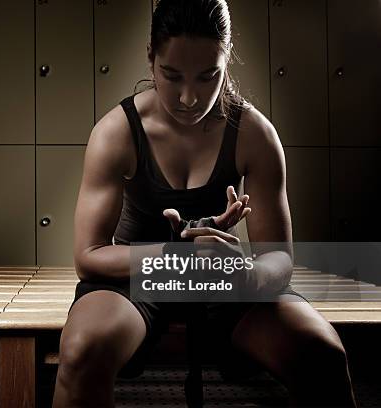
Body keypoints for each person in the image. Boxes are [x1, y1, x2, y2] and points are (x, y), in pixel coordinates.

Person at [52, 0, 358, 407]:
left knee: (324, 355)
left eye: (208, 76)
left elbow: (280, 259)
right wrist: (175, 255)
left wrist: (245, 273)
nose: (190, 98)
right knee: (81, 353)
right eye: (172, 76)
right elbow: (88, 257)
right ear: (150, 57)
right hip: (134, 280)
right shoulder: (116, 133)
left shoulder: (254, 134)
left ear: (226, 60)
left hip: (224, 281)